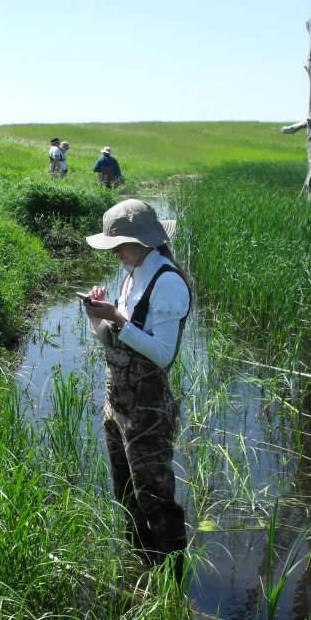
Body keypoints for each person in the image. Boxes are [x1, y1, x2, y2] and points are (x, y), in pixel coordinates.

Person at [81, 199, 191, 582]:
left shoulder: (168, 282)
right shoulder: (133, 271)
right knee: (125, 494)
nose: (115, 254)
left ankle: (173, 585)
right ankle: (140, 574)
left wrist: (119, 319)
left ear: (145, 242)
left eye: (120, 245)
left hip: (147, 410)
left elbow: (161, 355)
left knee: (157, 502)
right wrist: (97, 317)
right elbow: (113, 344)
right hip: (117, 403)